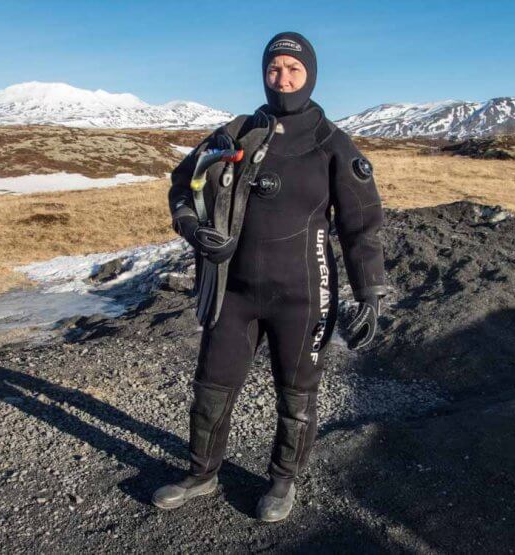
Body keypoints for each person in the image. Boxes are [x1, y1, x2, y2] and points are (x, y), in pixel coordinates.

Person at [153, 31, 388, 522]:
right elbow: (184, 183)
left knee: (296, 395)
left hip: (303, 296)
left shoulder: (332, 144)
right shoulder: (239, 132)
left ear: (311, 74)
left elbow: (361, 223)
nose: (282, 79)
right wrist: (193, 227)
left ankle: (282, 482)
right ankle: (201, 473)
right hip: (233, 293)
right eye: (273, 69)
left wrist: (370, 292)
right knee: (210, 387)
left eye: (293, 69)